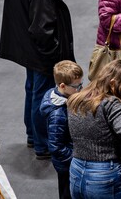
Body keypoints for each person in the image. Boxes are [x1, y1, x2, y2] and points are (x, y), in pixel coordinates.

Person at [0, 0, 75, 160]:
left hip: (25, 48)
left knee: (32, 91)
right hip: (40, 53)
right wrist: (55, 57)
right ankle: (42, 144)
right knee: (43, 97)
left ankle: (33, 136)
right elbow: (43, 30)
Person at [67, 60, 121, 199]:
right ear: (113, 83)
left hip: (76, 170)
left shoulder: (76, 99)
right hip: (103, 175)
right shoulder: (111, 104)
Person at [40, 61, 83, 199]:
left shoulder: (59, 94)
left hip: (69, 159)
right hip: (67, 164)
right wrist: (75, 158)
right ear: (63, 86)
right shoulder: (58, 114)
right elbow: (56, 147)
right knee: (67, 193)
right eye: (77, 87)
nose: (80, 90)